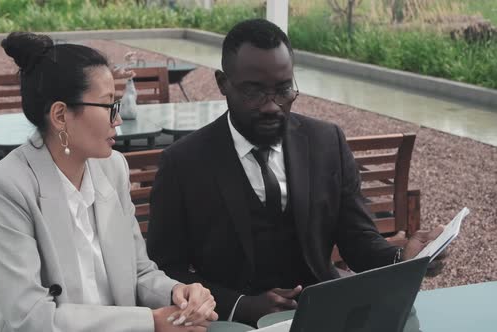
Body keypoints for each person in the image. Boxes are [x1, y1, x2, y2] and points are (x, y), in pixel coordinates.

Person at [146, 19, 443, 326]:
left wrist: (402, 258)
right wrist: (240, 305)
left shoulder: (327, 142)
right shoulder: (183, 163)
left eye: (283, 89)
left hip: (323, 313)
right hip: (228, 321)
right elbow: (165, 268)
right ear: (223, 83)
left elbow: (358, 239)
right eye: (254, 92)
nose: (272, 106)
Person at [0, 32, 218, 332]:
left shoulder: (112, 168)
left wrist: (176, 292)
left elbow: (139, 272)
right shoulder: (6, 187)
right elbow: (30, 317)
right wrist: (150, 322)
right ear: (61, 115)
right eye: (108, 106)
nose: (117, 119)